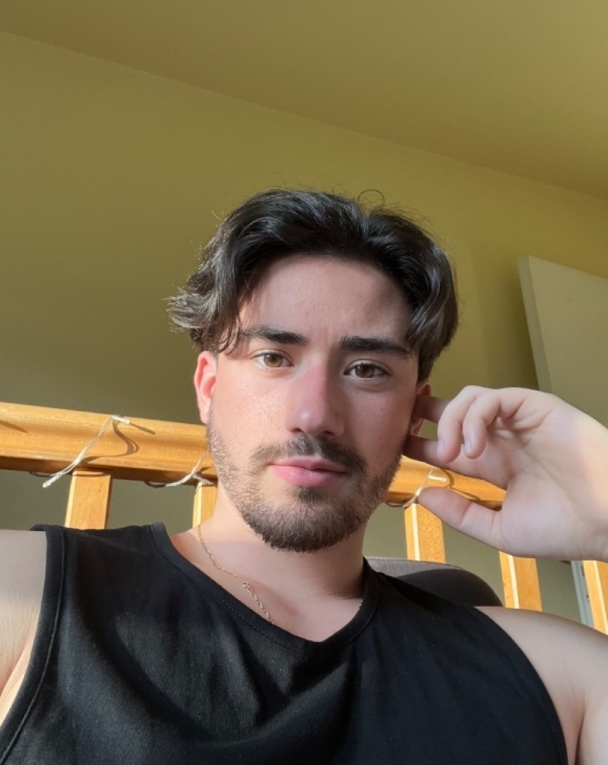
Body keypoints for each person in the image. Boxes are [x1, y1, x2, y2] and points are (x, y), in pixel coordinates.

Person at [0, 189, 606, 764]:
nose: (315, 414)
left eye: (366, 369)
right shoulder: (21, 592)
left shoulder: (565, 675)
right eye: (273, 357)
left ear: (414, 410)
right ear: (208, 388)